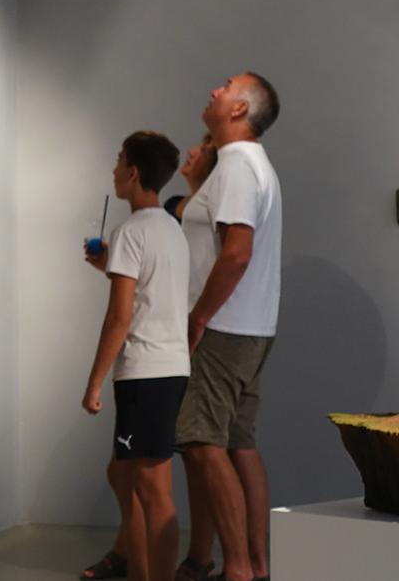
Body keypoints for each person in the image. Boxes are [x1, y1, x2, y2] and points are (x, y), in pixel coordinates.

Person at [80, 134, 218, 581]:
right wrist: (113, 265)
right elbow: (153, 289)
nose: (114, 169)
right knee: (126, 476)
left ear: (133, 172)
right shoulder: (171, 230)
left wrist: (94, 382)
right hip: (171, 369)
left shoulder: (130, 232)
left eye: (119, 160)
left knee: (153, 491)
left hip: (144, 374)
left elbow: (119, 318)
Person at [176, 73, 281, 581]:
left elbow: (237, 253)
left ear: (240, 109)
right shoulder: (249, 164)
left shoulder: (238, 164)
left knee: (201, 441)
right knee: (238, 443)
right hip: (250, 325)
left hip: (223, 326)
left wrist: (198, 316)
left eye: (226, 87)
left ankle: (238, 568)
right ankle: (255, 567)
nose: (215, 91)